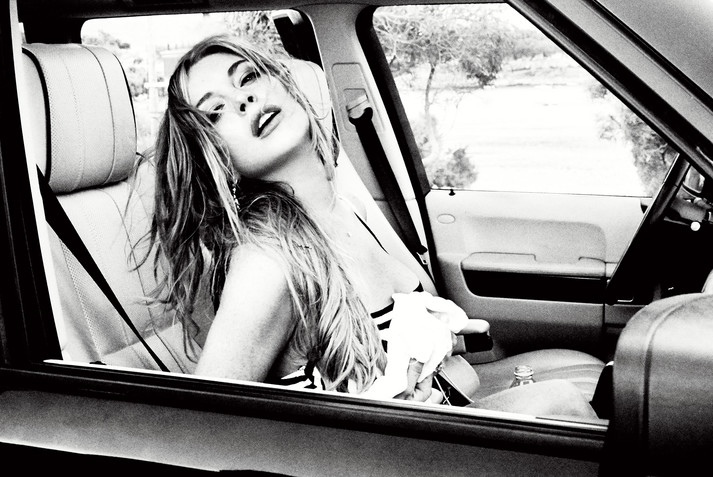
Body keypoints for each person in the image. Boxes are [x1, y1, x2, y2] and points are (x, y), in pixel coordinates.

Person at [141, 34, 596, 417]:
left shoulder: (345, 209)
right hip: (372, 453)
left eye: (248, 78)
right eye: (216, 112)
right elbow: (206, 424)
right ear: (213, 155)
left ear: (286, 86)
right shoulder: (267, 260)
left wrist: (436, 344)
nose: (244, 100)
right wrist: (380, 415)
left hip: (423, 420)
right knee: (561, 403)